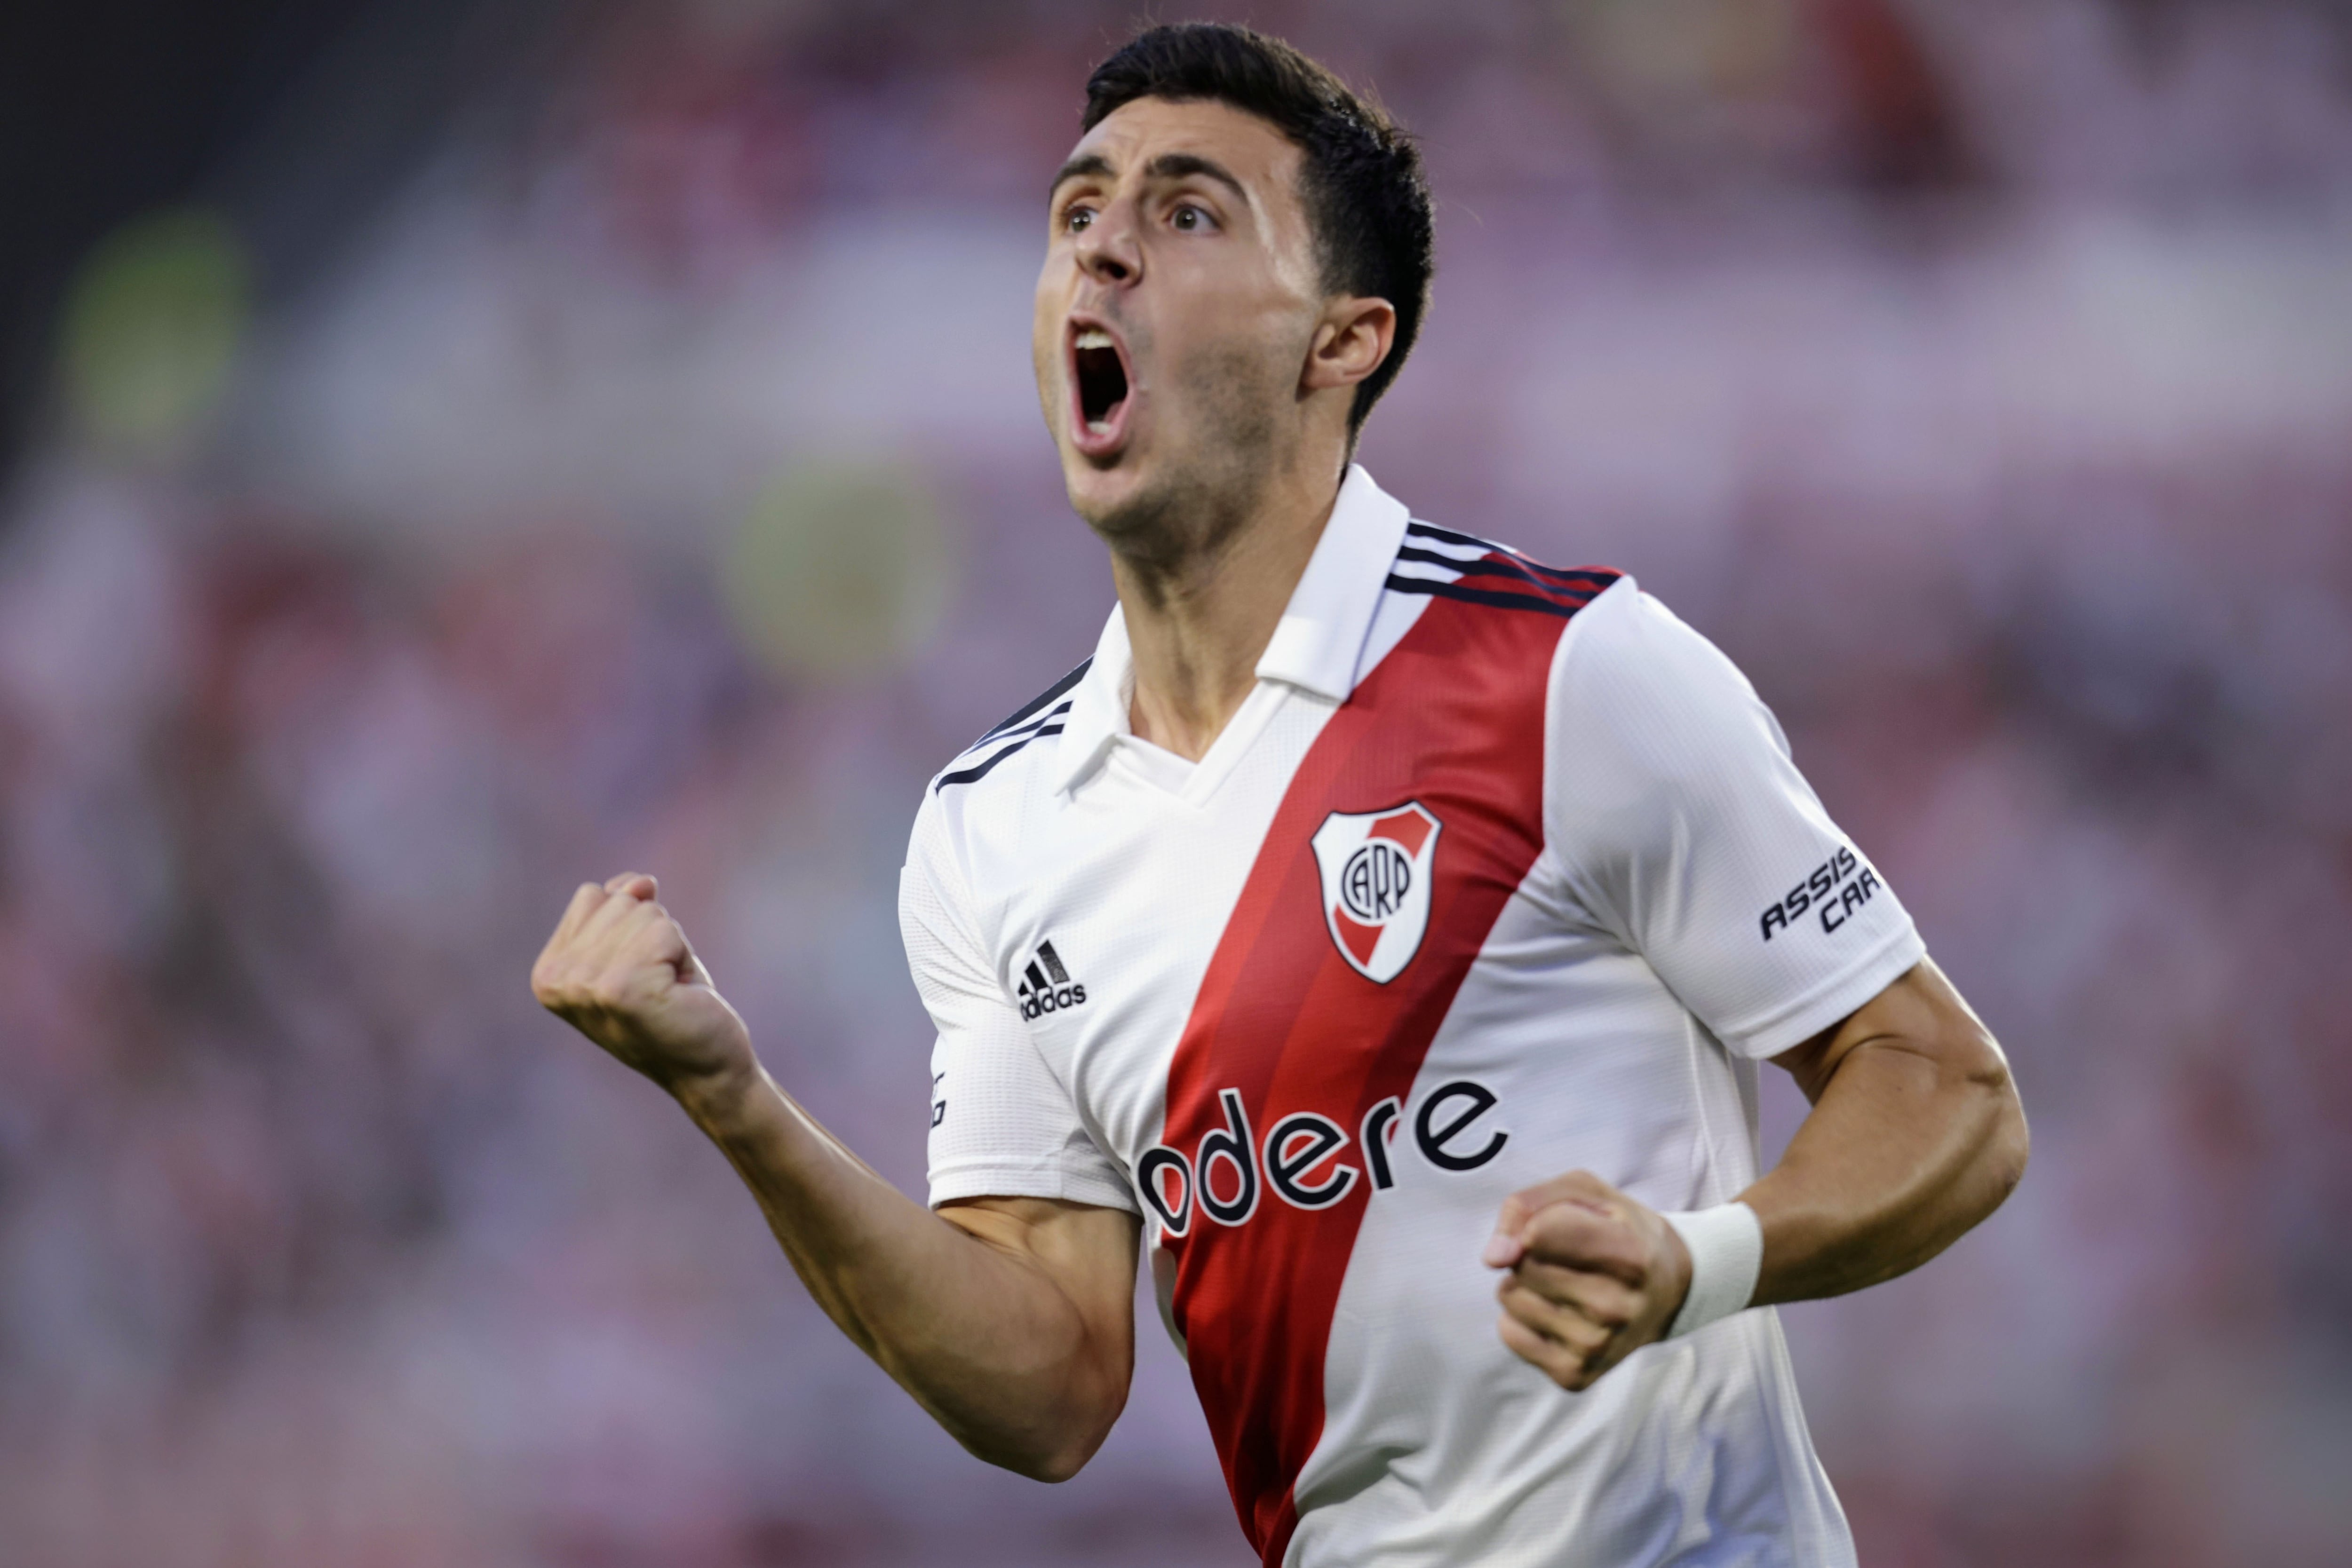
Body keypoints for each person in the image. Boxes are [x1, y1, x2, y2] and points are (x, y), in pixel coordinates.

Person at [530, 22, 2028, 1567]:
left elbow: (1949, 1091)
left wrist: (1702, 1258)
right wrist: (737, 1103)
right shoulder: (995, 829)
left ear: (1342, 340)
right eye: (1077, 213)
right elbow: (1047, 1384)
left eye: (1186, 213)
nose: (1104, 248)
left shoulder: (1576, 672)